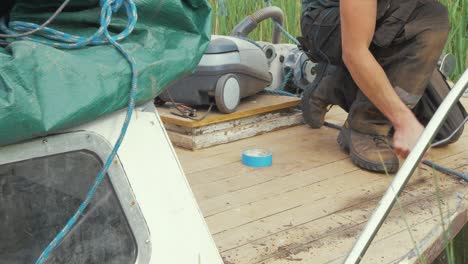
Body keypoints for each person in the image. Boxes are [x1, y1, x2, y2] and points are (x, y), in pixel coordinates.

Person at [299, 0, 451, 173]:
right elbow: (354, 52)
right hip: (328, 23)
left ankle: (336, 82)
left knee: (444, 128)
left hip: (380, 18)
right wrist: (403, 121)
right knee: (430, 17)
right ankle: (366, 124)